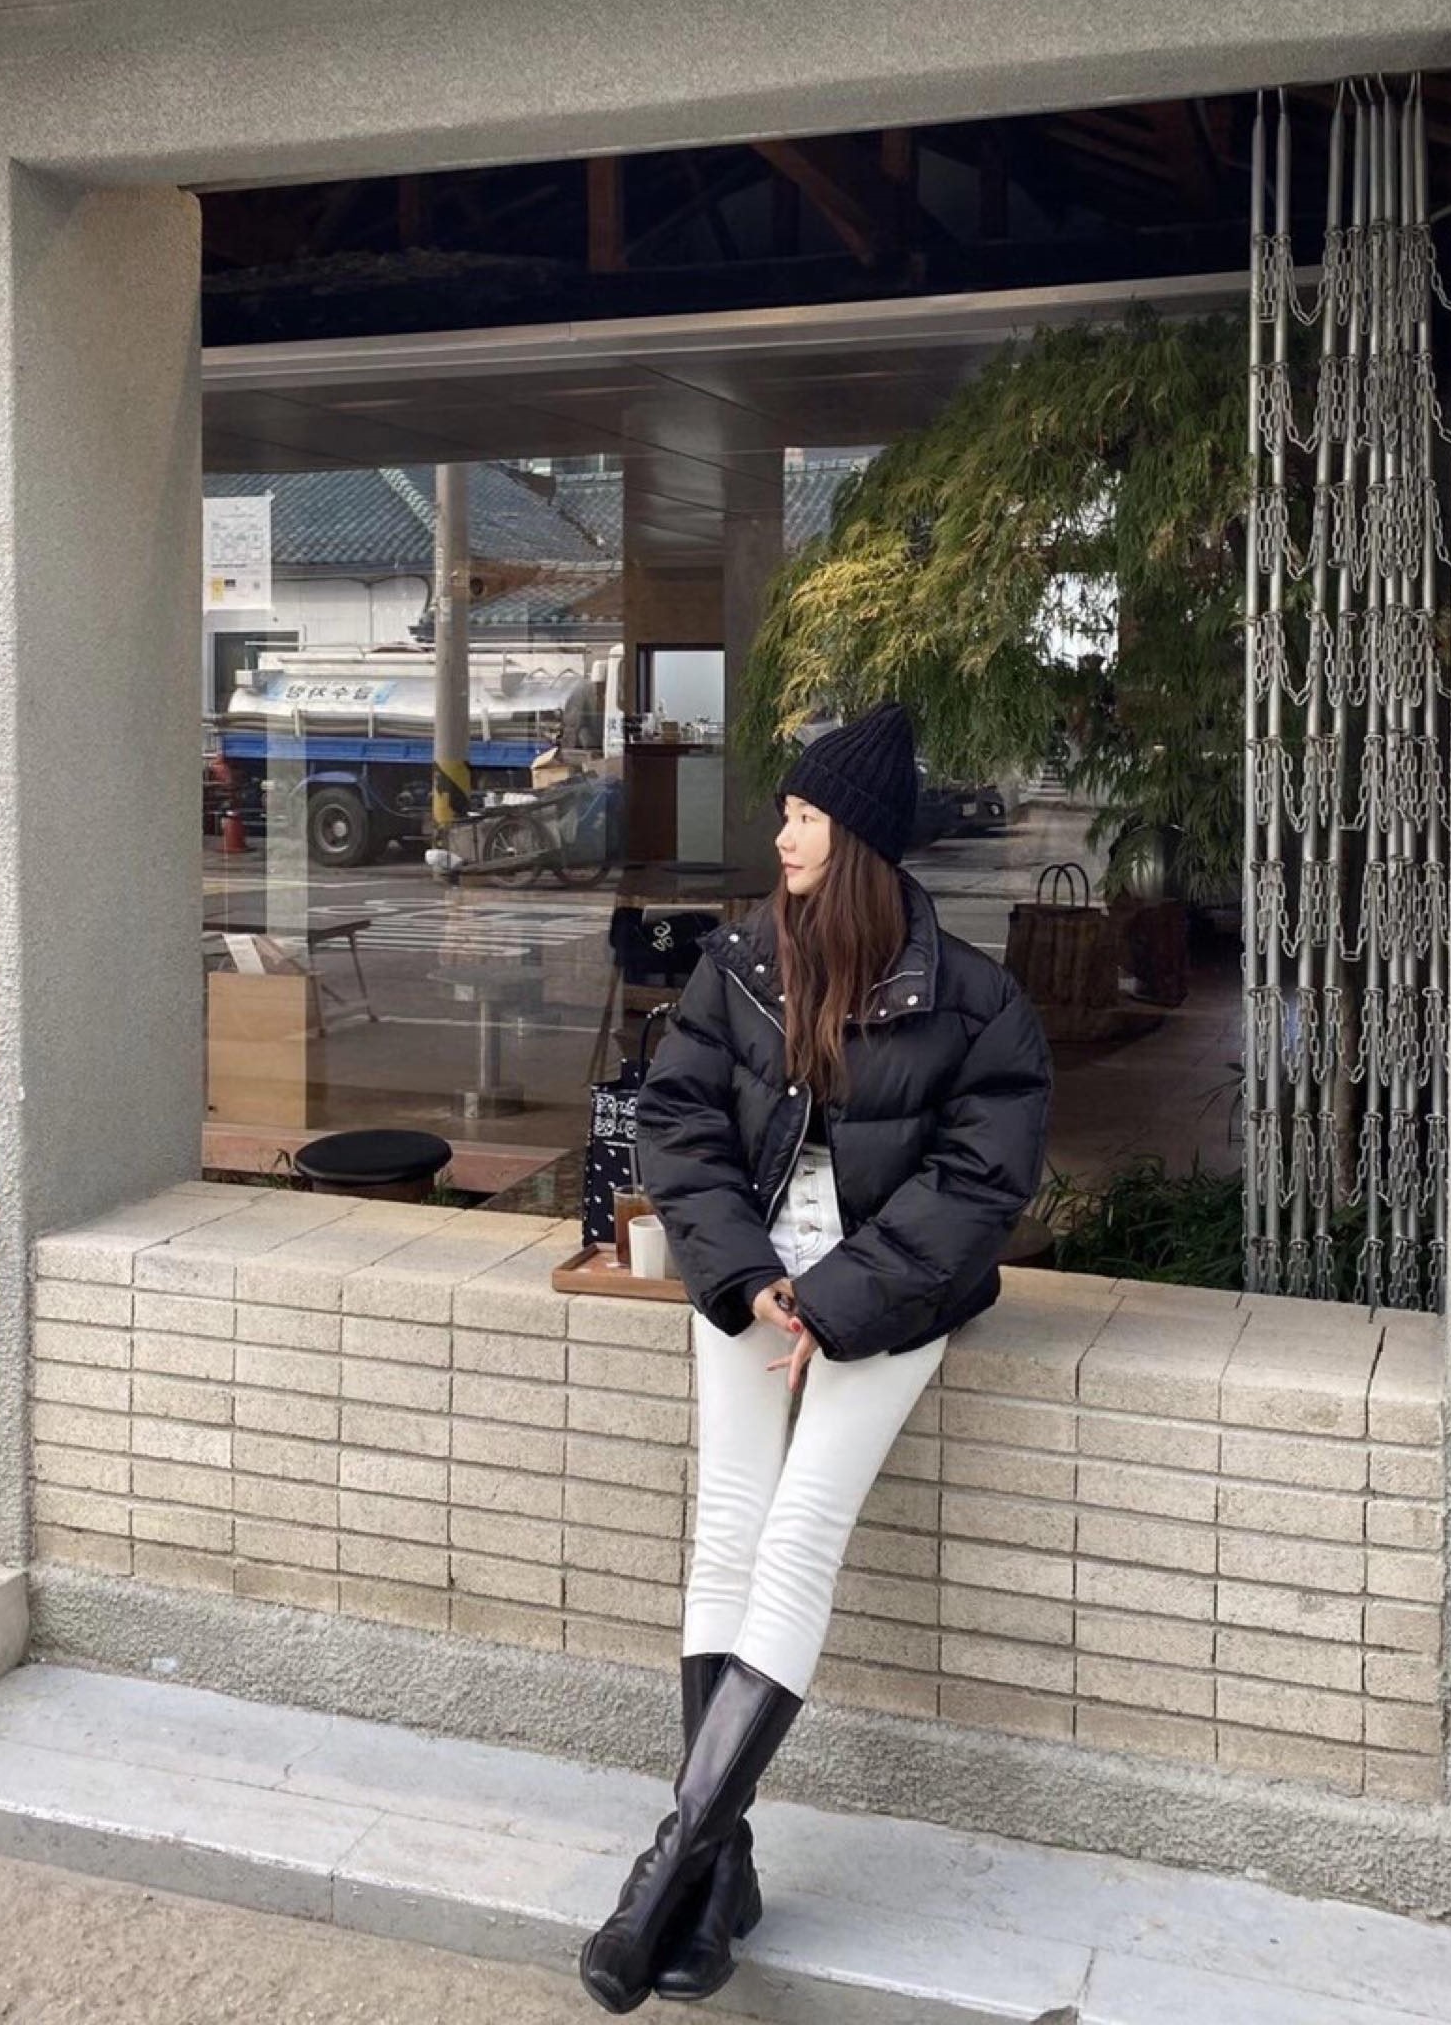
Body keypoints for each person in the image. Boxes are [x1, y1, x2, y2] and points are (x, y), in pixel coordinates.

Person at [579, 702, 1052, 2013]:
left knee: (795, 1538)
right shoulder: (743, 962)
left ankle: (665, 1876)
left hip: (888, 1305)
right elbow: (678, 1122)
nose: (781, 835)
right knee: (726, 1533)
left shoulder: (976, 1003)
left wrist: (833, 1305)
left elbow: (978, 1187)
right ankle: (716, 1876)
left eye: (802, 816)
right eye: (787, 813)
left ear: (859, 842)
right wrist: (751, 1280)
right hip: (749, 1287)